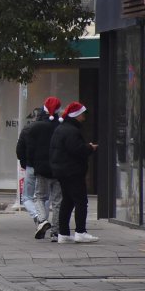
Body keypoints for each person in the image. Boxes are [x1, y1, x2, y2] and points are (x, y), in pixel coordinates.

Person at [49, 101, 98, 243]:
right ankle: (80, 231)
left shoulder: (61, 128)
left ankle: (63, 233)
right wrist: (89, 148)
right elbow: (77, 149)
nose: (84, 117)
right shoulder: (71, 131)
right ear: (76, 115)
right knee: (81, 201)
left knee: (68, 201)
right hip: (72, 171)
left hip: (61, 171)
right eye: (82, 114)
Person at [28, 96, 63, 241]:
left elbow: (29, 149)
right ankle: (55, 232)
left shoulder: (35, 127)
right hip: (59, 168)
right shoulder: (61, 126)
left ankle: (42, 220)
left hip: (42, 168)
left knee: (39, 196)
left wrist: (30, 164)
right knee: (57, 200)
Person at [15, 107, 43, 225]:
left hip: (31, 166)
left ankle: (37, 216)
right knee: (43, 197)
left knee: (27, 196)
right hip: (44, 168)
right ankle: (43, 218)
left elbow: (19, 149)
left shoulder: (27, 129)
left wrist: (24, 162)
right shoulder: (49, 129)